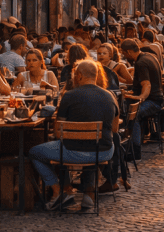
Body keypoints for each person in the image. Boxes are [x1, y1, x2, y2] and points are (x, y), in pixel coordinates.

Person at [29, 61, 118, 210]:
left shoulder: (69, 96)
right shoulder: (110, 95)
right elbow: (114, 129)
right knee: (90, 148)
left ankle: (59, 191)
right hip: (103, 152)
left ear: (79, 75)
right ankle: (88, 195)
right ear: (96, 76)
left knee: (34, 152)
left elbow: (59, 133)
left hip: (72, 152)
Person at [120, 38, 163, 158]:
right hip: (157, 98)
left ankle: (134, 150)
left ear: (128, 52)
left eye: (123, 53)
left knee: (133, 114)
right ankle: (135, 140)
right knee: (128, 109)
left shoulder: (141, 63)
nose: (124, 55)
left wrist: (140, 98)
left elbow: (146, 85)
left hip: (154, 101)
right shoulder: (149, 56)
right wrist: (133, 94)